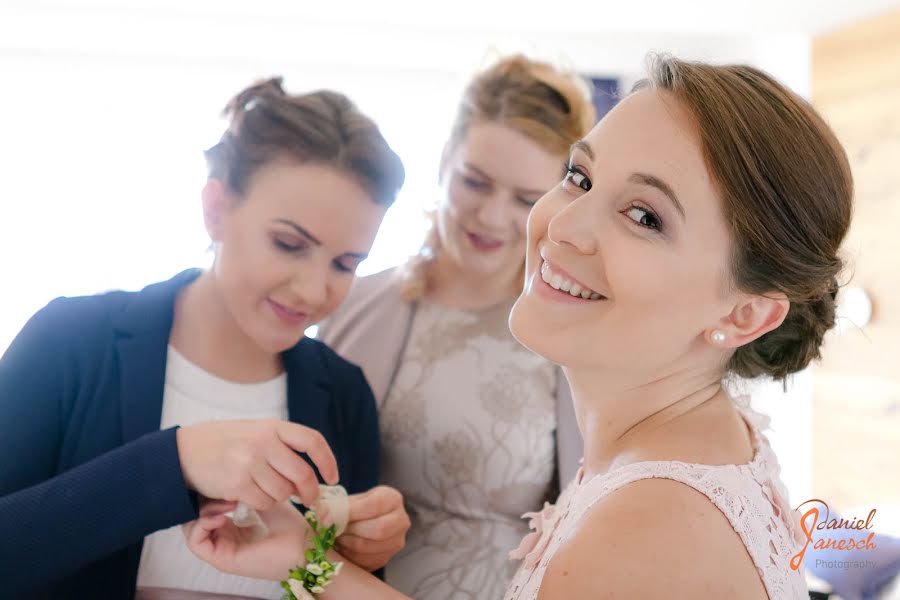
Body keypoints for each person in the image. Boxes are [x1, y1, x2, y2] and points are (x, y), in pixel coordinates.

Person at [0, 77, 410, 599]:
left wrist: (348, 558)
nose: (312, 289)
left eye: (345, 264)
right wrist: (175, 463)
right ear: (216, 209)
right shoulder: (72, 341)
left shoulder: (343, 393)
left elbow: (317, 586)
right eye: (288, 244)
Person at [502, 55, 852, 598]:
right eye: (580, 177)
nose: (565, 225)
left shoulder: (642, 530)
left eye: (644, 217)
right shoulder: (701, 444)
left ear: (744, 314)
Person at [316, 54, 596, 599]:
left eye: (524, 199)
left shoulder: (573, 337)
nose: (491, 216)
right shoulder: (353, 303)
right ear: (445, 160)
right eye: (475, 181)